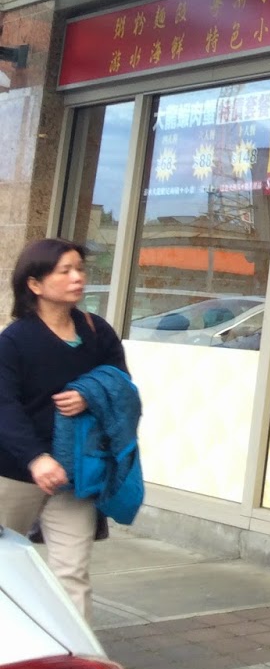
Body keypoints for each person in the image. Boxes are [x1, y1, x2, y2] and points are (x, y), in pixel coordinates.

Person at [0, 238, 129, 617]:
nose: (77, 278)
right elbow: (4, 406)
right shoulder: (14, 342)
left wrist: (90, 395)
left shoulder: (96, 331)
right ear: (35, 284)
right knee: (6, 567)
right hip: (15, 473)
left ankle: (73, 651)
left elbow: (121, 383)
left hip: (76, 470)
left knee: (72, 574)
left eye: (80, 269)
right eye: (65, 271)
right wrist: (36, 459)